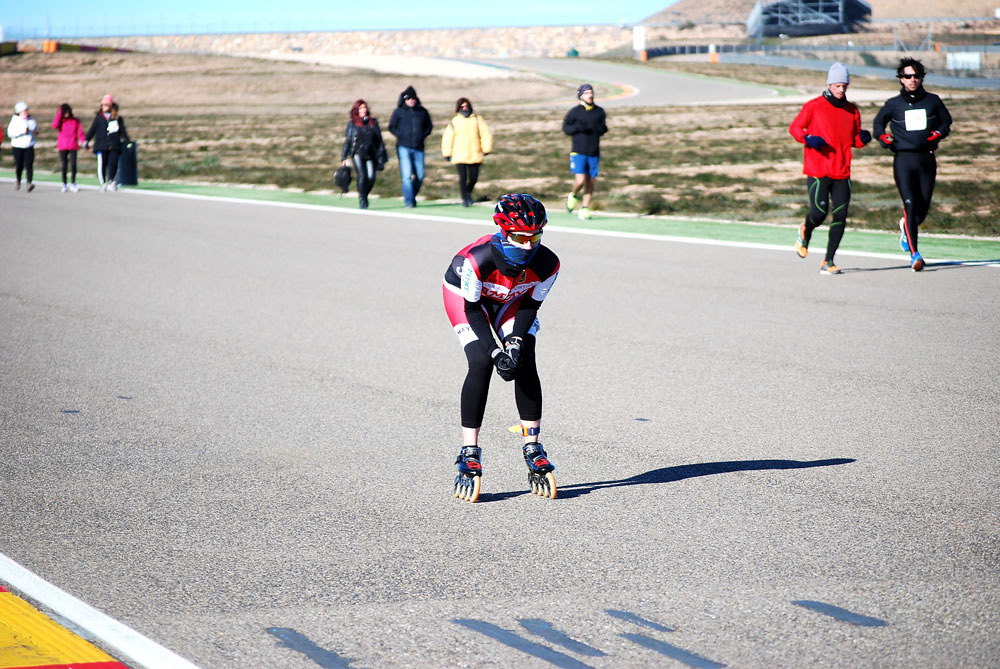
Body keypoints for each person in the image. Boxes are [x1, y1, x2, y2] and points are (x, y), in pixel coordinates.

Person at [442, 194, 560, 503]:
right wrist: (497, 352)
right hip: (468, 302)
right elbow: (472, 312)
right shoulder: (475, 260)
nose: (528, 245)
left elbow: (530, 306)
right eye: (521, 237)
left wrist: (515, 343)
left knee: (524, 361)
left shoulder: (549, 263)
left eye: (535, 236)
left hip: (512, 303)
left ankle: (533, 447)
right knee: (481, 361)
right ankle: (469, 452)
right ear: (504, 231)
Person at [788, 62, 872, 275]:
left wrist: (863, 139)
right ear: (829, 84)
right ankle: (806, 229)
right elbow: (795, 128)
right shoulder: (813, 106)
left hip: (842, 171)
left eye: (844, 86)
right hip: (818, 170)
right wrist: (808, 138)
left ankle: (828, 260)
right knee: (818, 212)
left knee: (840, 215)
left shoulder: (852, 110)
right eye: (837, 85)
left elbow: (853, 139)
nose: (841, 90)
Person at [873, 58, 952, 272]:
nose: (912, 80)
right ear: (901, 78)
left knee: (922, 209)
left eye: (916, 76)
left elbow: (946, 121)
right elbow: (878, 124)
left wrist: (938, 133)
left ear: (921, 78)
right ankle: (915, 255)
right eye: (908, 76)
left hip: (926, 159)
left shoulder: (933, 101)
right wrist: (883, 138)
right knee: (909, 203)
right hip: (904, 160)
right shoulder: (893, 104)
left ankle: (906, 227)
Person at [562, 83, 607, 220]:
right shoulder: (575, 112)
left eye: (591, 93)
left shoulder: (599, 111)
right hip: (578, 151)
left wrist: (600, 129)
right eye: (587, 93)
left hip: (593, 151)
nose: (590, 95)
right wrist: (578, 127)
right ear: (581, 96)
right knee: (580, 180)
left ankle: (585, 208)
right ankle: (573, 195)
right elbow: (566, 128)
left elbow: (603, 128)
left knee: (591, 181)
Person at [441, 97, 493, 207]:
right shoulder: (455, 121)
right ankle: (465, 198)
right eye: (462, 106)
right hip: (459, 154)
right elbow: (447, 137)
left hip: (475, 153)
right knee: (463, 178)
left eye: (467, 106)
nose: (465, 108)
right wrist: (447, 152)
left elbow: (485, 133)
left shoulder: (477, 119)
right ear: (458, 108)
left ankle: (468, 193)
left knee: (474, 178)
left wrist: (486, 148)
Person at [388, 86, 433, 207]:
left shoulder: (422, 112)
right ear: (405, 100)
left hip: (419, 147)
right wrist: (401, 135)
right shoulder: (399, 112)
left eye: (413, 98)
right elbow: (391, 126)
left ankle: (412, 195)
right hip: (404, 147)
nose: (411, 101)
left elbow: (429, 126)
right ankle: (409, 201)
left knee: (420, 175)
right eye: (408, 99)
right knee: (407, 176)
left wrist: (422, 135)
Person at [341, 99, 388, 209]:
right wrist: (344, 156)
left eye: (365, 107)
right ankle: (363, 199)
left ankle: (364, 193)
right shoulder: (352, 124)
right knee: (362, 175)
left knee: (371, 176)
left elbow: (379, 140)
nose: (363, 110)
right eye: (361, 108)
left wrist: (381, 154)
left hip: (370, 153)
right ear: (356, 110)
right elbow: (348, 140)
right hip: (357, 152)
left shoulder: (373, 122)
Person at [52, 103, 86, 193]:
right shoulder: (60, 121)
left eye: (67, 112)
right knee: (64, 165)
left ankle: (73, 183)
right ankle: (64, 184)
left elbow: (80, 132)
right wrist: (60, 113)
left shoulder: (75, 121)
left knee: (73, 164)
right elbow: (54, 125)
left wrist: (83, 141)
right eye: (64, 112)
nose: (66, 114)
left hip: (73, 145)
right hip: (62, 146)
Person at [8, 101, 38, 192]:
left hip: (29, 146)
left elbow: (36, 130)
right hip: (18, 146)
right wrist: (22, 132)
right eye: (24, 111)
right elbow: (10, 134)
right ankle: (18, 180)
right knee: (19, 165)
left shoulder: (31, 120)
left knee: (29, 165)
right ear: (19, 111)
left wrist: (36, 132)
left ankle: (29, 183)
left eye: (26, 110)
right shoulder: (15, 121)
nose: (26, 112)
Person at [85, 94, 113, 190]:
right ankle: (103, 183)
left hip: (111, 145)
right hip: (100, 146)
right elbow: (92, 130)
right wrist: (86, 140)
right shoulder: (98, 117)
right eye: (103, 105)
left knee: (111, 164)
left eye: (107, 105)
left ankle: (111, 181)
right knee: (101, 164)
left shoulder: (114, 117)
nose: (104, 107)